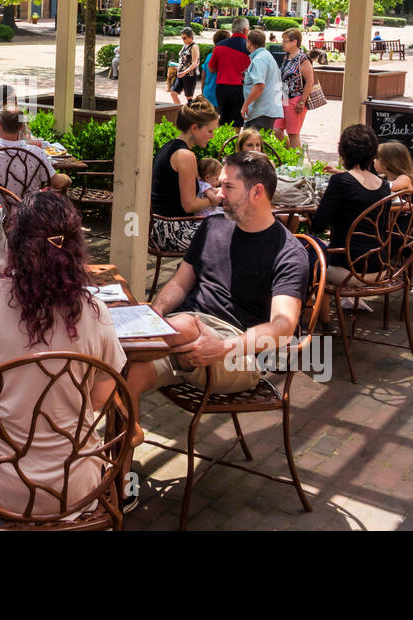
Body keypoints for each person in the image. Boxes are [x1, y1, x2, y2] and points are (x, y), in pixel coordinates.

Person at [0, 191, 127, 517]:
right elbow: (100, 398)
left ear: (15, 245)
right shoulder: (97, 312)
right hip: (72, 487)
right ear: (75, 248)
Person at [126, 152, 311, 439]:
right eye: (219, 185)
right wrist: (156, 312)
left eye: (228, 187)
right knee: (120, 378)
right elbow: (179, 283)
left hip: (237, 354)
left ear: (257, 192)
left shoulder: (288, 254)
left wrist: (222, 348)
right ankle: (118, 465)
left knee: (176, 327)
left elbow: (283, 327)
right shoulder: (212, 226)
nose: (217, 193)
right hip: (182, 343)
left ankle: (119, 338)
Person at [311, 124, 391, 286]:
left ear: (343, 151)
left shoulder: (341, 182)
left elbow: (318, 225)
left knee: (305, 251)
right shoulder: (384, 185)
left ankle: (315, 311)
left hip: (348, 269)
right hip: (380, 266)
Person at [149, 100, 220, 251]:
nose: (212, 136)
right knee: (236, 232)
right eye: (210, 131)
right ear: (195, 128)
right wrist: (214, 200)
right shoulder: (185, 156)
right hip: (170, 231)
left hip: (158, 225)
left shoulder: (169, 147)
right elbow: (190, 205)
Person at [0, 107, 70, 194]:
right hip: (30, 212)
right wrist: (66, 178)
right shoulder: (36, 152)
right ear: (21, 127)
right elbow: (56, 182)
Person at [275, 28, 315, 150]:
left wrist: (302, 100)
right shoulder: (286, 57)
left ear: (295, 42)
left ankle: (296, 160)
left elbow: (310, 81)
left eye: (285, 41)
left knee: (293, 132)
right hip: (283, 96)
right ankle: (289, 153)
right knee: (276, 130)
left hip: (295, 98)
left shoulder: (302, 59)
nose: (283, 43)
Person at [208, 17, 251, 126]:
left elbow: (211, 68)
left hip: (221, 87)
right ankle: (232, 142)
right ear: (246, 30)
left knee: (223, 118)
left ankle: (223, 141)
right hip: (239, 88)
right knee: (236, 121)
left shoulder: (220, 45)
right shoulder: (249, 48)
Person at [240, 29, 283, 131]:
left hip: (260, 111)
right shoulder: (267, 56)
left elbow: (259, 85)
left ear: (249, 42)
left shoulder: (259, 59)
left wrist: (245, 105)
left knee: (252, 144)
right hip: (265, 110)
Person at [169, 28, 201, 105]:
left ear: (190, 37)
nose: (183, 40)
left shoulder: (194, 47)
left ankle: (190, 115)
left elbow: (194, 63)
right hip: (181, 74)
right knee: (173, 93)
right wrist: (177, 67)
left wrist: (184, 72)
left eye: (184, 38)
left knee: (189, 99)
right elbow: (183, 61)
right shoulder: (185, 45)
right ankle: (179, 111)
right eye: (182, 38)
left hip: (190, 75)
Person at [201, 29, 227, 107]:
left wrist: (202, 93)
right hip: (221, 97)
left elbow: (203, 77)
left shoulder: (209, 56)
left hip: (208, 95)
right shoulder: (226, 57)